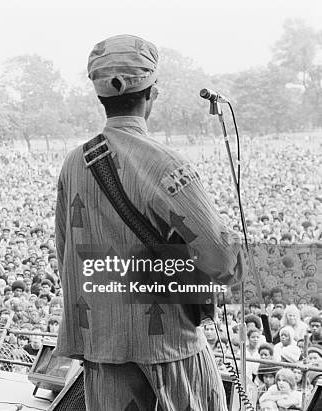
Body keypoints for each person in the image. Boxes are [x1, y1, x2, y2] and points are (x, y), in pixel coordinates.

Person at [54, 35, 243, 410]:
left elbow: (65, 253)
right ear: (151, 93)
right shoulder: (166, 166)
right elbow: (222, 261)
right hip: (167, 343)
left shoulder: (74, 163)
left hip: (102, 344)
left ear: (100, 96)